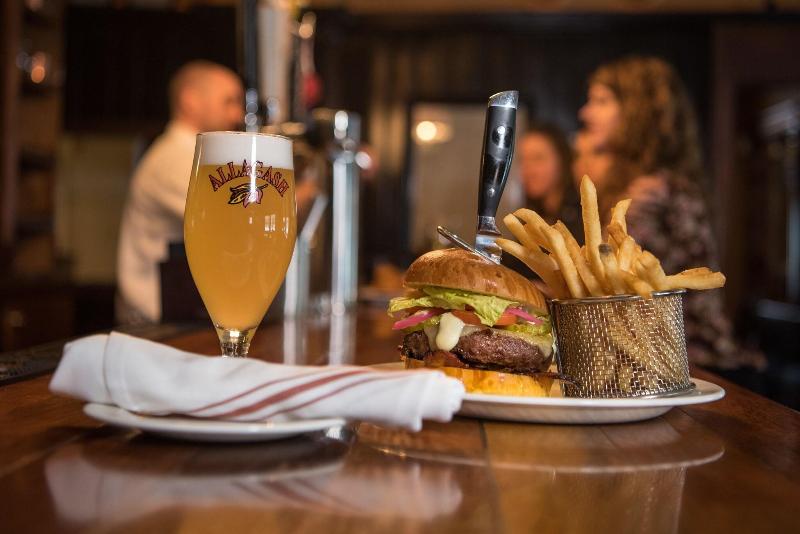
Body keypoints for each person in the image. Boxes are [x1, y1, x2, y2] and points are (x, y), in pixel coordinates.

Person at [579, 56, 764, 369]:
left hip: (691, 364)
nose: (586, 112)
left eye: (601, 101)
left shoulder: (652, 193)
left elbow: (604, 285)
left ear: (638, 111)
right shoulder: (663, 183)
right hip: (670, 359)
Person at [117, 61, 244, 324]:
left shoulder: (194, 155)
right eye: (228, 101)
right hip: (155, 325)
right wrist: (305, 191)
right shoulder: (175, 158)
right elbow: (236, 222)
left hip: (176, 315)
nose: (238, 115)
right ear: (190, 100)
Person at [518, 125, 582, 239]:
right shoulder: (526, 218)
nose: (528, 170)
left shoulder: (581, 216)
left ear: (562, 160)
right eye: (522, 160)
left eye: (538, 158)